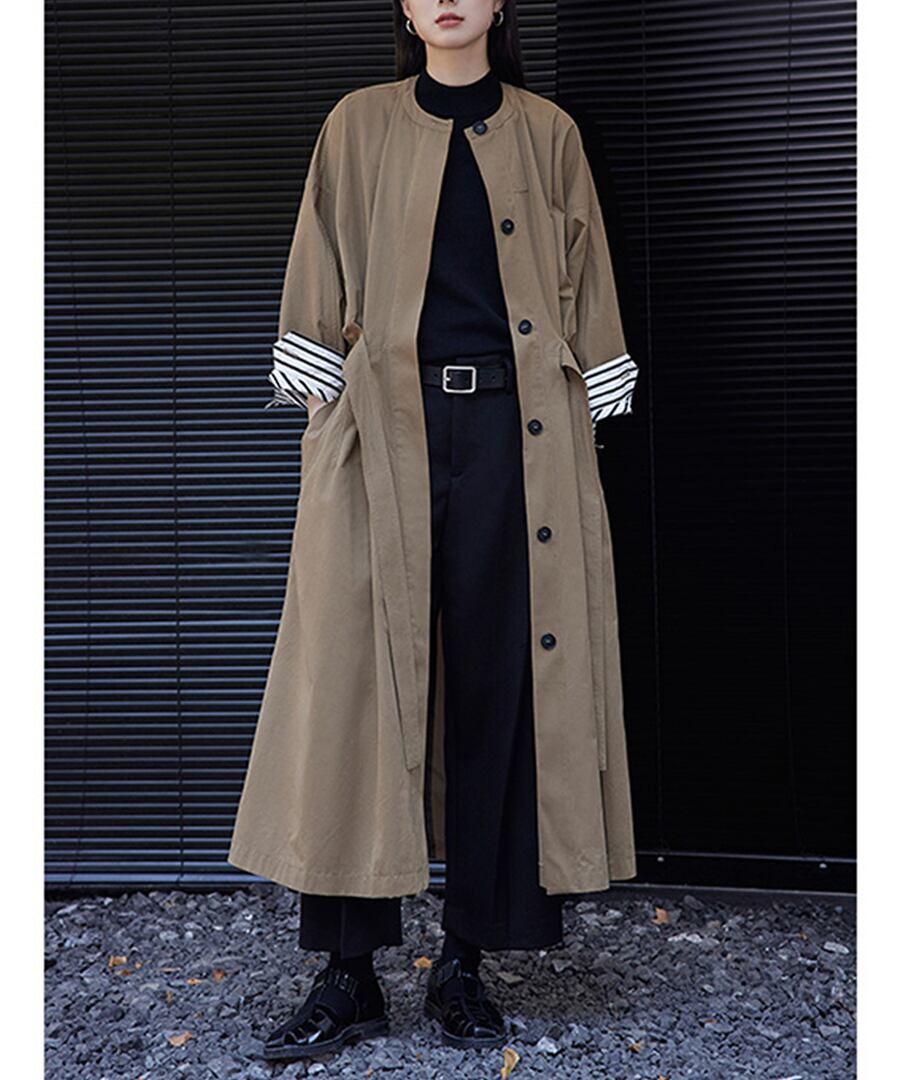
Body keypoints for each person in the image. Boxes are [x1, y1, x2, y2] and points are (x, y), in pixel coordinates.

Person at [237, 0, 640, 1062]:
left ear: (500, 5)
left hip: (516, 435)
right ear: (406, 9)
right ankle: (348, 973)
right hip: (381, 432)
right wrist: (321, 392)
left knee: (501, 681)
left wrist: (598, 373)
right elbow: (321, 259)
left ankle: (465, 962)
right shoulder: (357, 122)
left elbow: (588, 273)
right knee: (356, 688)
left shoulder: (548, 132)